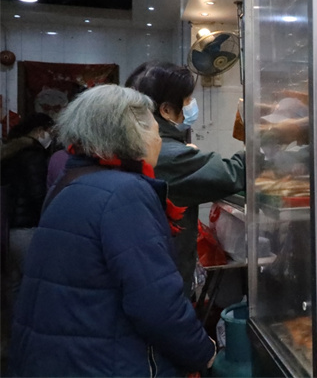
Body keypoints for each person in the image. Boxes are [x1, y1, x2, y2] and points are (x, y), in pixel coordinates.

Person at [8, 85, 216, 376]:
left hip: (58, 358)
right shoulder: (125, 193)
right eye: (156, 132)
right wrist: (203, 352)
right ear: (132, 135)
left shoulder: (68, 182)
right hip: (106, 363)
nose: (158, 140)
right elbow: (156, 303)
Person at [125, 61, 246, 296]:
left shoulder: (135, 141)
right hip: (160, 280)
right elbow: (231, 174)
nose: (191, 105)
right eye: (188, 100)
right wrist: (264, 138)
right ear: (166, 110)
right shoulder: (164, 153)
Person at [0, 113, 54, 311]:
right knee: (32, 281)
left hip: (7, 227)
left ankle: (14, 324)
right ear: (39, 131)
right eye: (49, 131)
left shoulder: (9, 152)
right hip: (27, 226)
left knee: (13, 282)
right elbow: (37, 194)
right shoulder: (33, 155)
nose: (50, 136)